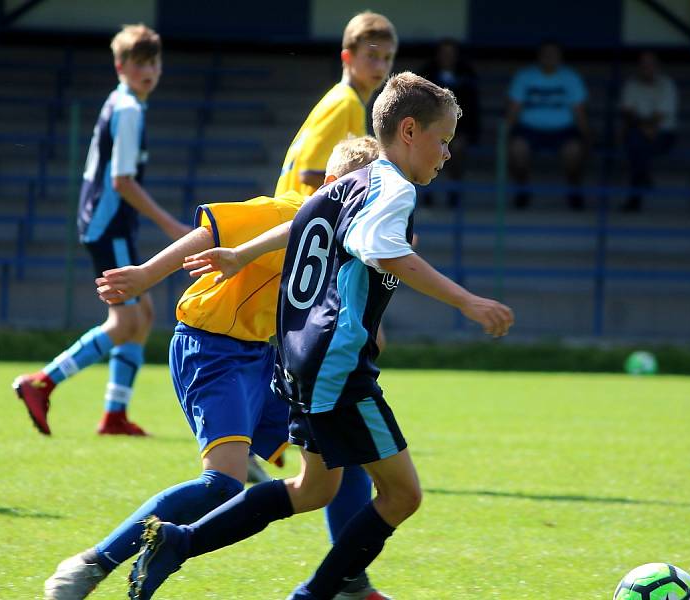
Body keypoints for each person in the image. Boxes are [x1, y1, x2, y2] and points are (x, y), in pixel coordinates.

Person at [126, 71, 514, 600]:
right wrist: (467, 300)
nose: (446, 154)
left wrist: (241, 253)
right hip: (336, 367)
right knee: (402, 495)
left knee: (315, 488)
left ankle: (178, 542)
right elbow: (388, 253)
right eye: (442, 140)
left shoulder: (351, 184)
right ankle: (314, 596)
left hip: (296, 361)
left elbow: (304, 214)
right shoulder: (394, 189)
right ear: (408, 130)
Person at [42, 137, 382, 600]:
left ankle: (347, 583)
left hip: (264, 361)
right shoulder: (286, 212)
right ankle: (92, 564)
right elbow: (213, 232)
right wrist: (145, 274)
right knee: (221, 483)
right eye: (356, 192)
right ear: (329, 185)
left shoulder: (346, 240)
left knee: (345, 451)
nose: (362, 204)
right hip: (210, 350)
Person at [271, 11, 398, 599]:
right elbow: (315, 188)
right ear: (347, 57)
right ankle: (343, 578)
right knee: (333, 430)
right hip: (311, 269)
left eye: (386, 58)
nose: (379, 66)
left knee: (329, 445)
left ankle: (348, 575)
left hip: (306, 262)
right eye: (371, 56)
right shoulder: (347, 106)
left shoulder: (344, 102)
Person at [12, 24, 190, 436]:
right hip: (108, 224)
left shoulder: (124, 102)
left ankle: (114, 415)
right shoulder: (128, 109)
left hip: (108, 223)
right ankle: (42, 382)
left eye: (154, 62)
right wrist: (171, 225)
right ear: (121, 66)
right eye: (140, 63)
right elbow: (121, 182)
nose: (149, 70)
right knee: (126, 321)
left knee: (141, 315)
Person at [505, 41, 591, 210]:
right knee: (517, 149)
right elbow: (514, 109)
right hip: (529, 129)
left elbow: (579, 112)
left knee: (574, 151)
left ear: (560, 57)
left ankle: (574, 190)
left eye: (554, 54)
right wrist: (505, 133)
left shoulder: (571, 77)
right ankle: (523, 190)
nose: (550, 57)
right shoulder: (524, 76)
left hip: (564, 130)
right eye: (546, 53)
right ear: (539, 56)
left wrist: (587, 136)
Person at [419, 38, 481, 208]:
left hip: (458, 130)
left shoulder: (467, 74)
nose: (447, 57)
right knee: (426, 146)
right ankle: (427, 190)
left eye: (451, 54)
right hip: (429, 127)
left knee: (458, 147)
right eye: (443, 53)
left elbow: (472, 109)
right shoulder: (426, 74)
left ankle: (455, 191)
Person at [619, 50, 678, 212]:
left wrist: (645, 126)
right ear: (638, 66)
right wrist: (644, 127)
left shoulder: (667, 84)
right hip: (638, 132)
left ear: (658, 66)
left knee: (635, 144)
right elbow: (626, 113)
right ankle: (643, 177)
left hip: (664, 135)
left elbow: (660, 116)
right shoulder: (631, 84)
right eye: (643, 64)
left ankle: (635, 197)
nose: (647, 67)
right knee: (636, 142)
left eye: (651, 63)